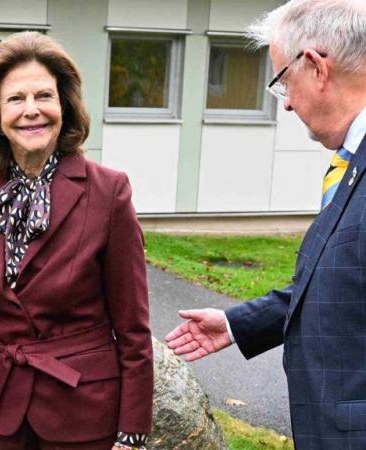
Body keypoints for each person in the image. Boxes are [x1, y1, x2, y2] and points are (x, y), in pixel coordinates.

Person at [165, 0, 366, 448]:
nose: (289, 104)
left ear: (315, 66)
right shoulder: (352, 163)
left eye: (283, 82)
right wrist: (240, 323)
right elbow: (345, 282)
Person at [0, 32, 153, 450]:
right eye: (16, 99)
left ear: (64, 106)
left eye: (44, 96)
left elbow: (133, 324)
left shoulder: (108, 191)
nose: (32, 111)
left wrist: (132, 426)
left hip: (82, 408)